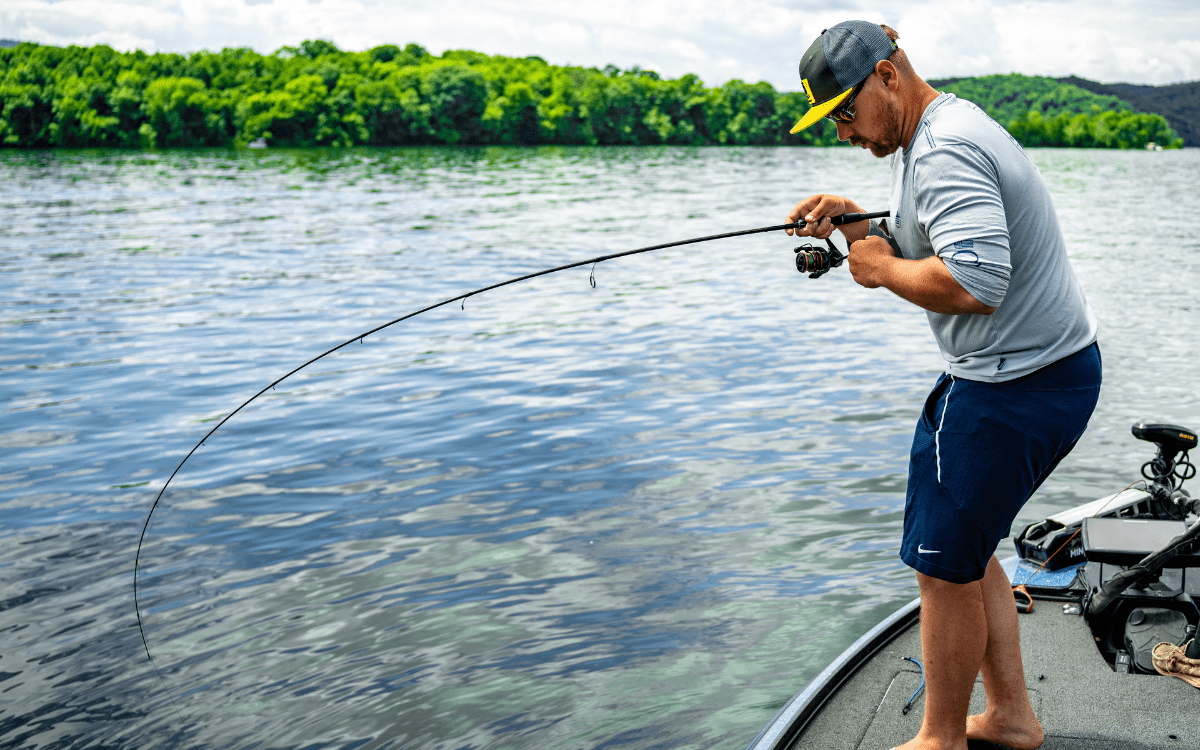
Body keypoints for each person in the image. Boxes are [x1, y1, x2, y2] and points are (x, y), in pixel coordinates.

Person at [785, 20, 1101, 750]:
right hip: (1039, 375)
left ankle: (939, 739)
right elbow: (927, 238)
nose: (842, 132)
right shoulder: (933, 132)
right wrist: (856, 224)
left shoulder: (946, 147)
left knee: (941, 567)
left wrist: (879, 270)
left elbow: (977, 278)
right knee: (966, 550)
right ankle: (1012, 718)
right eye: (829, 120)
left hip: (1012, 387)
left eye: (843, 112)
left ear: (886, 76)